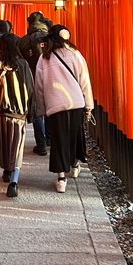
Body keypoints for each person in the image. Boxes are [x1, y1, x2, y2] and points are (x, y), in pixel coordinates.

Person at [34, 25, 93, 193]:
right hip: (76, 103)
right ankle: (74, 165)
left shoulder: (44, 58)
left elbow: (39, 87)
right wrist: (88, 105)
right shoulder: (75, 54)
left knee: (59, 140)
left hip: (55, 105)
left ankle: (61, 179)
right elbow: (85, 81)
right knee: (75, 135)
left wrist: (42, 109)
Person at [0, 34, 36, 197]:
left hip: (0, 112)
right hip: (18, 113)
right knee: (17, 146)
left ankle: (6, 171)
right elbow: (31, 89)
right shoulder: (23, 65)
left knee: (3, 145)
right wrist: (31, 113)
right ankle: (14, 181)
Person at [18, 12, 51, 155]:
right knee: (51, 109)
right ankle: (50, 139)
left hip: (32, 79)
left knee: (37, 111)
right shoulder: (52, 39)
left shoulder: (24, 41)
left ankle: (41, 144)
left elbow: (19, 61)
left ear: (29, 24)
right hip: (51, 78)